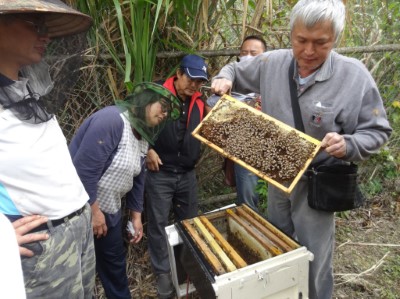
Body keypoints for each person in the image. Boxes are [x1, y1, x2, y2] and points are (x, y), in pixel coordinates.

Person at [211, 1, 392, 298]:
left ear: (336, 38)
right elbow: (233, 68)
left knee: (314, 258)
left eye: (320, 43)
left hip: (316, 184)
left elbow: (378, 130)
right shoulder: (272, 63)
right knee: (276, 247)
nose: (308, 51)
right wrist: (225, 77)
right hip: (276, 178)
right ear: (291, 33)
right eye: (301, 40)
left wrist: (349, 144)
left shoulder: (354, 76)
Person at [0, 1, 96, 298]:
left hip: (79, 228)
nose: (46, 36)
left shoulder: (27, 86)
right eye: (33, 24)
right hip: (43, 244)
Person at [69, 82, 181, 299]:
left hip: (108, 210)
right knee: (78, 271)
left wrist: (135, 216)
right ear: (145, 101)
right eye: (162, 107)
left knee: (115, 267)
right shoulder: (112, 121)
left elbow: (139, 178)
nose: (165, 114)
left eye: (168, 111)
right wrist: (93, 211)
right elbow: (84, 171)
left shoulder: (142, 135)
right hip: (79, 213)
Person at [145, 54, 210, 298]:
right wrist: (147, 149)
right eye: (191, 79)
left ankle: (188, 271)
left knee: (190, 224)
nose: (194, 85)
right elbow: (136, 125)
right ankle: (163, 274)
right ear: (179, 74)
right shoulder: (156, 93)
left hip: (187, 174)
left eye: (199, 81)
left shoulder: (201, 101)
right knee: (159, 224)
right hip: (159, 172)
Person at [233, 35, 267, 211]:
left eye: (253, 53)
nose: (247, 57)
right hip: (245, 151)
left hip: (275, 147)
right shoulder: (232, 80)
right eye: (243, 53)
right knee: (248, 203)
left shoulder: (276, 79)